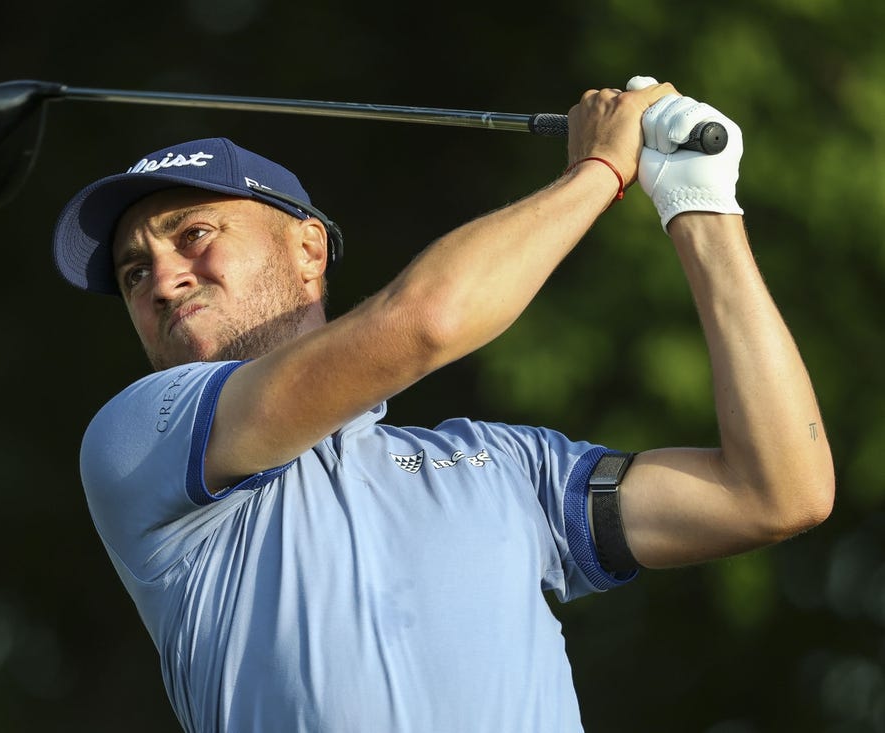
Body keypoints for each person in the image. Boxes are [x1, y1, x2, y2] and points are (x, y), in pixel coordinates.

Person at [51, 76, 834, 732]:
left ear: (308, 248)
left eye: (192, 234)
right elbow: (425, 322)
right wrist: (599, 170)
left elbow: (776, 490)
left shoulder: (504, 467)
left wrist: (699, 205)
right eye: (132, 271)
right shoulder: (135, 442)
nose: (161, 278)